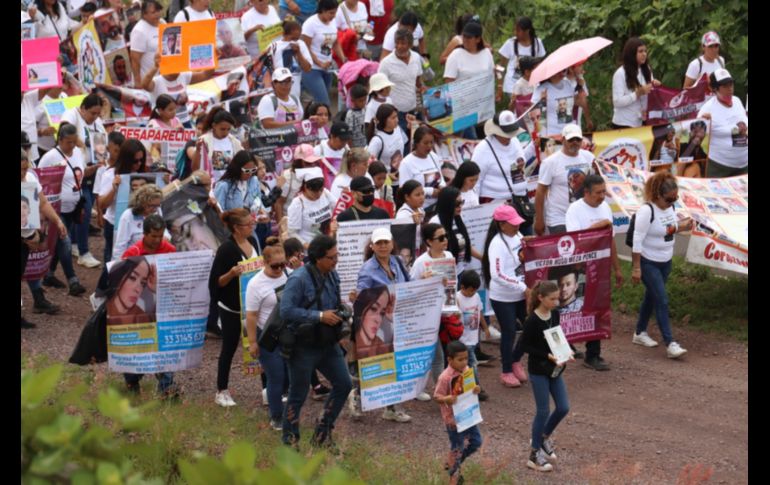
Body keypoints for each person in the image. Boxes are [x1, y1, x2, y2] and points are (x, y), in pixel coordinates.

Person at [280, 234, 353, 448]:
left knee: (344, 383)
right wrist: (319, 316)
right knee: (298, 394)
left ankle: (322, 433)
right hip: (303, 346)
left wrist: (341, 319)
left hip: (328, 342)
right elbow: (286, 311)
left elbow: (335, 303)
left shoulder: (333, 275)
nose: (336, 260)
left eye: (336, 255)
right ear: (317, 258)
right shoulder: (298, 279)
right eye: (331, 257)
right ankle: (290, 443)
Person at [114, 215, 180, 399]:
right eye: (153, 236)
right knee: (138, 346)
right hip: (139, 309)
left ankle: (166, 386)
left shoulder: (170, 250)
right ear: (144, 234)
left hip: (164, 306)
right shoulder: (132, 253)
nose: (158, 240)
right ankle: (132, 380)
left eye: (160, 236)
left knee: (166, 345)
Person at [564, 174, 624, 371]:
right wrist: (600, 225)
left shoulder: (605, 208)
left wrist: (616, 268)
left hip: (601, 267)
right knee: (573, 308)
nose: (602, 196)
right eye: (598, 193)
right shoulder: (575, 210)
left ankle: (593, 354)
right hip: (580, 269)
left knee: (597, 309)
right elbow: (576, 239)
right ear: (587, 193)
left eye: (603, 191)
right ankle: (567, 343)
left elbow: (610, 239)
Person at [352, 227, 411, 423]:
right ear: (372, 246)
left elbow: (409, 284)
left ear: (392, 244)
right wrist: (358, 296)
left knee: (394, 362)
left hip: (398, 318)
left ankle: (390, 407)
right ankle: (358, 397)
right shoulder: (367, 269)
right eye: (379, 243)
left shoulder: (397, 262)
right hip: (379, 323)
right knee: (376, 362)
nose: (383, 246)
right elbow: (362, 293)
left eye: (386, 242)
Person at [631, 172, 693, 359]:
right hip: (649, 262)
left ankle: (640, 332)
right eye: (669, 199)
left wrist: (682, 227)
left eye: (675, 198)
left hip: (666, 261)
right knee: (662, 300)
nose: (672, 202)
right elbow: (637, 239)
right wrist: (636, 267)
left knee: (652, 296)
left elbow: (668, 228)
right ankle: (670, 343)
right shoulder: (646, 211)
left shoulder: (669, 208)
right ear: (657, 195)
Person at [209, 209, 260, 407]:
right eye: (248, 224)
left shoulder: (254, 242)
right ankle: (221, 390)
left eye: (252, 223)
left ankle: (267, 388)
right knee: (229, 348)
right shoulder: (226, 249)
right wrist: (231, 274)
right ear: (237, 228)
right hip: (231, 307)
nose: (252, 226)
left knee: (259, 345)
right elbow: (215, 282)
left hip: (252, 306)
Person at [521, 280, 572, 473]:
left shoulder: (555, 314)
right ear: (541, 298)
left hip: (554, 369)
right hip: (539, 370)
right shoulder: (532, 321)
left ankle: (542, 437)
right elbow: (524, 346)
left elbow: (556, 336)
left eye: (557, 298)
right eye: (552, 299)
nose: (556, 302)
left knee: (563, 407)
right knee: (543, 411)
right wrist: (547, 355)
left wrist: (566, 351)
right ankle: (533, 455)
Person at [37, 123, 87, 297]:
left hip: (73, 207)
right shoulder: (50, 157)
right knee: (65, 241)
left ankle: (49, 274)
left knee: (60, 243)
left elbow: (81, 174)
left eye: (74, 142)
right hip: (56, 208)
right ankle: (73, 281)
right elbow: (39, 180)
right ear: (60, 140)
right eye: (68, 142)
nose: (72, 146)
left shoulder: (79, 153)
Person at [482, 204, 529, 388]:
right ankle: (506, 370)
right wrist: (521, 285)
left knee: (530, 328)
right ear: (502, 225)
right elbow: (497, 274)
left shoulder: (517, 236)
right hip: (503, 297)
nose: (517, 226)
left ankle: (515, 358)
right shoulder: (497, 244)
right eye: (513, 223)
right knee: (509, 332)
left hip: (521, 293)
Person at [409, 222, 457, 401]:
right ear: (429, 241)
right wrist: (424, 280)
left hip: (446, 311)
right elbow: (411, 288)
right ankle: (440, 392)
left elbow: (454, 283)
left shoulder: (449, 255)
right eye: (441, 238)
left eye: (446, 236)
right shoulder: (421, 262)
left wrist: (455, 305)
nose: (446, 240)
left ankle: (444, 389)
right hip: (427, 314)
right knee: (434, 354)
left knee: (447, 353)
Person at [245, 238, 289, 430]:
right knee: (276, 376)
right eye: (274, 266)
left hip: (287, 334)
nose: (279, 269)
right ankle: (276, 416)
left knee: (289, 375)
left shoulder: (288, 274)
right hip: (267, 336)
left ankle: (287, 410)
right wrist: (253, 342)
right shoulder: (256, 284)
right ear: (264, 262)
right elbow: (251, 315)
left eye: (282, 264)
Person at [21, 148, 68, 327]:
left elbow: (43, 203)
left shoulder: (31, 179)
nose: (23, 174)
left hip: (28, 238)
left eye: (25, 169)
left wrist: (57, 221)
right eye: (20, 170)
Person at [60, 93, 107, 269]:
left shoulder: (96, 122)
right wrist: (81, 143)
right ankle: (84, 252)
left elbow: (102, 142)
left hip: (93, 171)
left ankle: (73, 244)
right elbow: (65, 128)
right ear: (83, 108)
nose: (95, 116)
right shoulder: (72, 114)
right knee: (85, 210)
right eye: (92, 113)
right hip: (73, 171)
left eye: (98, 113)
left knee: (79, 209)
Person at [433, 340, 483, 484]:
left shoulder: (467, 370)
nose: (464, 362)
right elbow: (437, 396)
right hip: (453, 421)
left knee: (476, 442)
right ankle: (453, 477)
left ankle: (453, 463)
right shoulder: (445, 377)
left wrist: (476, 389)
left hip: (469, 415)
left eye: (466, 358)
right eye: (460, 359)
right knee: (458, 448)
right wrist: (447, 398)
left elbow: (472, 387)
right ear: (449, 359)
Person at [534, 124, 595, 236]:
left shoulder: (589, 157)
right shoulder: (550, 162)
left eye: (578, 139)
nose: (575, 142)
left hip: (584, 216)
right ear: (563, 140)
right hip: (559, 219)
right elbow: (540, 192)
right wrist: (539, 219)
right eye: (571, 139)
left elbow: (596, 182)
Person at [471, 110, 528, 210]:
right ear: (496, 131)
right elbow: (475, 181)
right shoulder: (482, 149)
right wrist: (476, 209)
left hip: (519, 200)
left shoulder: (515, 141)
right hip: (494, 204)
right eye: (506, 133)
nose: (510, 136)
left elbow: (521, 158)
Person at [697, 68, 748, 177]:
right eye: (725, 86)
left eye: (731, 84)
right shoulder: (707, 109)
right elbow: (695, 138)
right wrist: (703, 125)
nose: (730, 89)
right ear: (715, 89)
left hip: (744, 165)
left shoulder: (737, 101)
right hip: (719, 167)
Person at [142, 54, 214, 129]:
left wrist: (212, 57)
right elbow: (144, 85)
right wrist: (155, 67)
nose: (179, 69)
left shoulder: (184, 76)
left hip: (184, 122)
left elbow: (205, 75)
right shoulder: (157, 81)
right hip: (162, 125)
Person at [377, 28, 424, 135]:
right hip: (396, 114)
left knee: (416, 142)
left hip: (414, 111)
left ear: (410, 45)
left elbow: (418, 82)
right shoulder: (386, 63)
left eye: (403, 43)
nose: (399, 46)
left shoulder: (416, 58)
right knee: (403, 145)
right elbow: (379, 89)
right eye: (397, 43)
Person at [301, 0, 347, 106]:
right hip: (312, 69)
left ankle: (309, 118)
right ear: (322, 10)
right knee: (324, 103)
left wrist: (343, 58)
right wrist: (319, 63)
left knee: (319, 103)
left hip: (327, 68)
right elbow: (305, 48)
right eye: (331, 13)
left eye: (335, 12)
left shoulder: (332, 22)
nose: (333, 16)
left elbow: (335, 43)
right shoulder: (310, 24)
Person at [430, 186, 481, 276]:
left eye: (461, 202)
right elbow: (433, 253)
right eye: (456, 204)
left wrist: (483, 258)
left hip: (459, 270)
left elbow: (464, 245)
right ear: (447, 204)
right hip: (444, 274)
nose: (460, 206)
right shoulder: (435, 222)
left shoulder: (457, 218)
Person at [611, 37, 660, 129]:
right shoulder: (620, 73)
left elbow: (649, 91)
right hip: (624, 124)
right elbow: (617, 102)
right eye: (640, 51)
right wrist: (637, 93)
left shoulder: (646, 69)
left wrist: (655, 86)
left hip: (642, 122)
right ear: (631, 54)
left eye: (645, 51)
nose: (644, 54)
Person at [456, 270, 489, 400]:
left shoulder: (475, 297)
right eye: (470, 291)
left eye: (474, 291)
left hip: (473, 338)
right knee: (472, 363)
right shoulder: (457, 298)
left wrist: (485, 328)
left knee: (467, 365)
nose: (472, 293)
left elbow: (479, 312)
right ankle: (476, 388)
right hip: (463, 339)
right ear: (462, 286)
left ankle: (467, 388)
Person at [113, 183, 167, 260]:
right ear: (142, 203)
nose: (155, 209)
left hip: (154, 257)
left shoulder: (157, 211)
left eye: (157, 205)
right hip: (134, 258)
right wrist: (118, 265)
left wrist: (166, 236)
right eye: (151, 206)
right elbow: (120, 245)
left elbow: (163, 230)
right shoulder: (128, 216)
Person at [498, 17, 546, 102]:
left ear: (527, 31)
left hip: (531, 86)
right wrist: (500, 86)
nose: (515, 33)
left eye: (518, 30)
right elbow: (500, 67)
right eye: (515, 30)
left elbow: (541, 66)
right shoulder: (510, 43)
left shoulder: (537, 43)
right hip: (512, 86)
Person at [286, 167, 335, 246]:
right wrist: (308, 247)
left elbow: (337, 210)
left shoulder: (325, 194)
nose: (318, 194)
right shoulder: (298, 204)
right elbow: (292, 233)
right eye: (314, 191)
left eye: (320, 190)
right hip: (310, 248)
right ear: (305, 187)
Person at [399, 126, 445, 208]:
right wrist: (430, 191)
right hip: (419, 210)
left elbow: (441, 179)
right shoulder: (406, 163)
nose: (429, 146)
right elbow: (404, 190)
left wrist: (442, 187)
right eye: (425, 143)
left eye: (431, 142)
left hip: (437, 206)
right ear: (416, 143)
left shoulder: (434, 156)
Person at [269, 21, 313, 102]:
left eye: (297, 38)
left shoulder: (301, 44)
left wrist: (298, 53)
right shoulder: (274, 46)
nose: (294, 41)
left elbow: (308, 68)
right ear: (284, 34)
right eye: (292, 38)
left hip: (294, 94)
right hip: (278, 93)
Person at [192, 107, 243, 175]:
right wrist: (198, 151)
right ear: (214, 126)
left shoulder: (234, 142)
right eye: (222, 129)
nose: (225, 132)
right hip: (208, 183)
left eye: (228, 129)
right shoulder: (204, 140)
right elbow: (194, 169)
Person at [531, 66, 579, 137]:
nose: (561, 74)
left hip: (570, 131)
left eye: (563, 70)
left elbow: (575, 105)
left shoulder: (568, 84)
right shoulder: (541, 89)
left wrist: (580, 86)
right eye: (557, 72)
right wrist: (542, 102)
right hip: (552, 133)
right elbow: (535, 117)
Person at [367, 103, 408, 179]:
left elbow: (407, 143)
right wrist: (387, 176)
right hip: (386, 183)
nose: (397, 120)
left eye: (397, 117)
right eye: (393, 118)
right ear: (384, 120)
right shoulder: (377, 140)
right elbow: (368, 164)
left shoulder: (398, 129)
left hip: (401, 178)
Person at [129, 1, 165, 85]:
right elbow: (135, 60)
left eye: (158, 11)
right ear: (144, 15)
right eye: (153, 12)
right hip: (147, 81)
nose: (157, 14)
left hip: (163, 78)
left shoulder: (162, 22)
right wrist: (138, 82)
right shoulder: (139, 31)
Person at [354, 286, 394, 358]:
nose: (378, 320)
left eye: (382, 313)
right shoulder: (348, 343)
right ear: (362, 308)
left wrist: (396, 319)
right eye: (373, 309)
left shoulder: (381, 347)